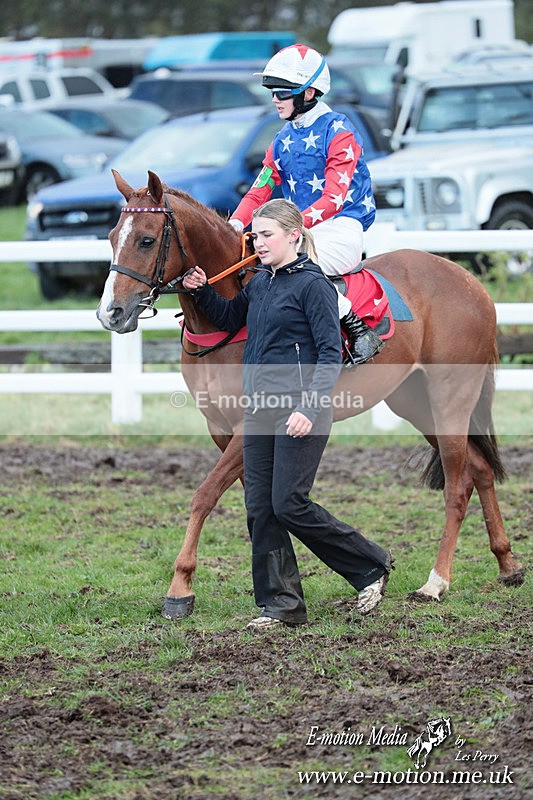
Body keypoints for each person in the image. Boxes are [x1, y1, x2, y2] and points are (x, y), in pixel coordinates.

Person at [183, 199, 392, 629]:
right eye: (255, 236)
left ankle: (371, 564)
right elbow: (227, 316)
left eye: (266, 236)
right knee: (260, 507)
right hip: (260, 409)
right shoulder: (260, 282)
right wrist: (201, 289)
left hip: (302, 409)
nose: (257, 244)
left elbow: (331, 353)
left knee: (290, 504)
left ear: (293, 236)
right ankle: (281, 605)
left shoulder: (313, 286)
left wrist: (309, 407)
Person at [228, 43, 384, 367]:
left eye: (283, 92)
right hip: (297, 229)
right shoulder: (282, 139)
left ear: (309, 92)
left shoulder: (339, 132)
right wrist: (232, 225)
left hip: (341, 226)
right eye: (273, 91)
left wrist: (287, 228)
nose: (275, 99)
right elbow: (259, 192)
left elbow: (334, 198)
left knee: (295, 264)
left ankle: (357, 330)